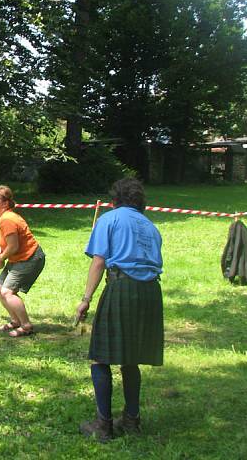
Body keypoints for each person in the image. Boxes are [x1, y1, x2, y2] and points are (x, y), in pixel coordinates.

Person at [74, 177, 164, 442]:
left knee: (101, 356)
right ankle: (131, 421)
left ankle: (103, 426)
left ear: (115, 199)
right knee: (130, 358)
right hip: (150, 293)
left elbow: (99, 261)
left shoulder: (110, 219)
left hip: (122, 288)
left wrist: (85, 299)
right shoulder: (151, 226)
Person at [0, 185, 46, 337]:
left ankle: (26, 326)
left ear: (5, 203)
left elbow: (13, 247)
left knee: (8, 292)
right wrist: (0, 253)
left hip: (30, 258)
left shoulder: (8, 219)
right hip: (17, 258)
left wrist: (1, 257)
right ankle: (15, 321)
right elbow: (4, 243)